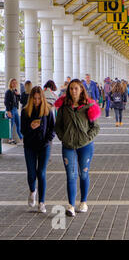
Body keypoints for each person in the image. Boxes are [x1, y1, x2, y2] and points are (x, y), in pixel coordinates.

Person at [54, 79, 101, 217]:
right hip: (68, 145)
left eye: (76, 88)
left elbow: (96, 127)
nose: (73, 91)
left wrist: (87, 138)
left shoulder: (89, 105)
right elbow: (58, 126)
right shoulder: (64, 107)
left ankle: (84, 202)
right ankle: (70, 205)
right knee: (71, 175)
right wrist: (63, 137)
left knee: (84, 173)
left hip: (85, 146)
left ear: (81, 90)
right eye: (71, 88)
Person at [20, 86, 55, 213]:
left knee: (41, 173)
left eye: (39, 98)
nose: (36, 101)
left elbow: (52, 128)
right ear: (31, 99)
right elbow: (22, 130)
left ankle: (42, 202)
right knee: (31, 174)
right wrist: (31, 127)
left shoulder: (47, 111)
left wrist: (47, 140)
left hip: (44, 146)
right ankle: (32, 191)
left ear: (42, 98)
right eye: (34, 98)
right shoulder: (25, 112)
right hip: (29, 146)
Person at [4, 78, 23, 144]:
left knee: (18, 124)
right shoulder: (8, 92)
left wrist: (18, 94)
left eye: (15, 83)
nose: (14, 84)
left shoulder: (15, 91)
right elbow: (6, 102)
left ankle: (21, 138)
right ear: (10, 84)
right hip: (11, 110)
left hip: (15, 109)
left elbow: (20, 100)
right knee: (11, 125)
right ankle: (10, 139)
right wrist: (8, 111)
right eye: (13, 83)